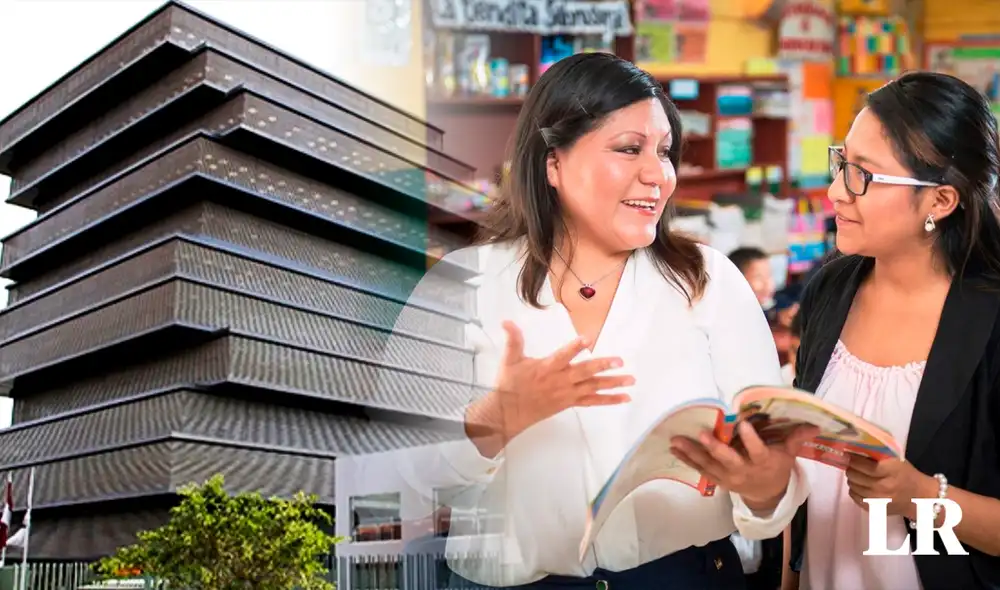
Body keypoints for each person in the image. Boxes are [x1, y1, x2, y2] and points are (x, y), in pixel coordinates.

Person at [369, 52, 818, 589]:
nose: (657, 175)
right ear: (552, 163)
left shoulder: (709, 282)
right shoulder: (461, 285)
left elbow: (766, 488)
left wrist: (768, 486)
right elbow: (384, 486)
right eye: (629, 149)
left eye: (665, 152)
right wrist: (495, 421)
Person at [693, 71, 1000, 590]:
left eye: (863, 175)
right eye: (841, 162)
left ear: (940, 202)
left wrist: (919, 496)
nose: (836, 190)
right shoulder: (831, 289)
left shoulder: (989, 321)